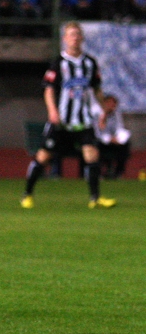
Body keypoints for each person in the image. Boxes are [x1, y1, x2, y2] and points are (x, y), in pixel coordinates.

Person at [20, 21, 117, 209]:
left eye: (77, 34)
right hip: (62, 121)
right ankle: (27, 194)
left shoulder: (90, 63)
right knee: (43, 157)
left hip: (83, 120)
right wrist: (52, 111)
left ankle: (95, 198)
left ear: (82, 38)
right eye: (71, 34)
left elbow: (96, 89)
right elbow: (48, 90)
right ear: (65, 39)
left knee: (92, 156)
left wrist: (103, 110)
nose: (75, 38)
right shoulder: (59, 63)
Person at [93, 94, 131, 179]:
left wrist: (117, 138)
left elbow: (119, 127)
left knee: (124, 146)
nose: (112, 106)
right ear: (104, 103)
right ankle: (98, 173)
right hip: (100, 141)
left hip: (113, 141)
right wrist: (109, 139)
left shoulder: (116, 114)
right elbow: (97, 132)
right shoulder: (97, 113)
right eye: (109, 103)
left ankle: (118, 173)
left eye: (114, 104)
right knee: (97, 145)